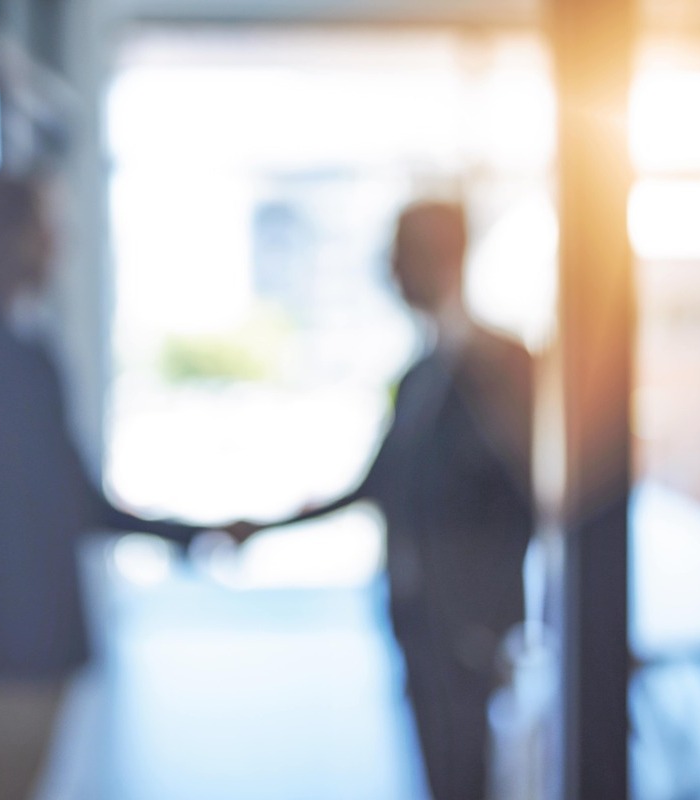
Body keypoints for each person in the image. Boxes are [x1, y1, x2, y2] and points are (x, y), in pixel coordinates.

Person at [227, 200, 534, 800]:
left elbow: (527, 496)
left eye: (401, 255)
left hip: (466, 632)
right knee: (440, 775)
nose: (391, 272)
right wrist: (262, 529)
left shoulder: (500, 363)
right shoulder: (420, 375)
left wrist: (490, 624)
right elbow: (376, 485)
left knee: (468, 778)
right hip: (418, 623)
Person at [0, 174, 210, 800]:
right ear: (14, 241)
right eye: (47, 228)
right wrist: (186, 534)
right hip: (12, 645)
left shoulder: (12, 349)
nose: (60, 243)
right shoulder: (13, 359)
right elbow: (72, 501)